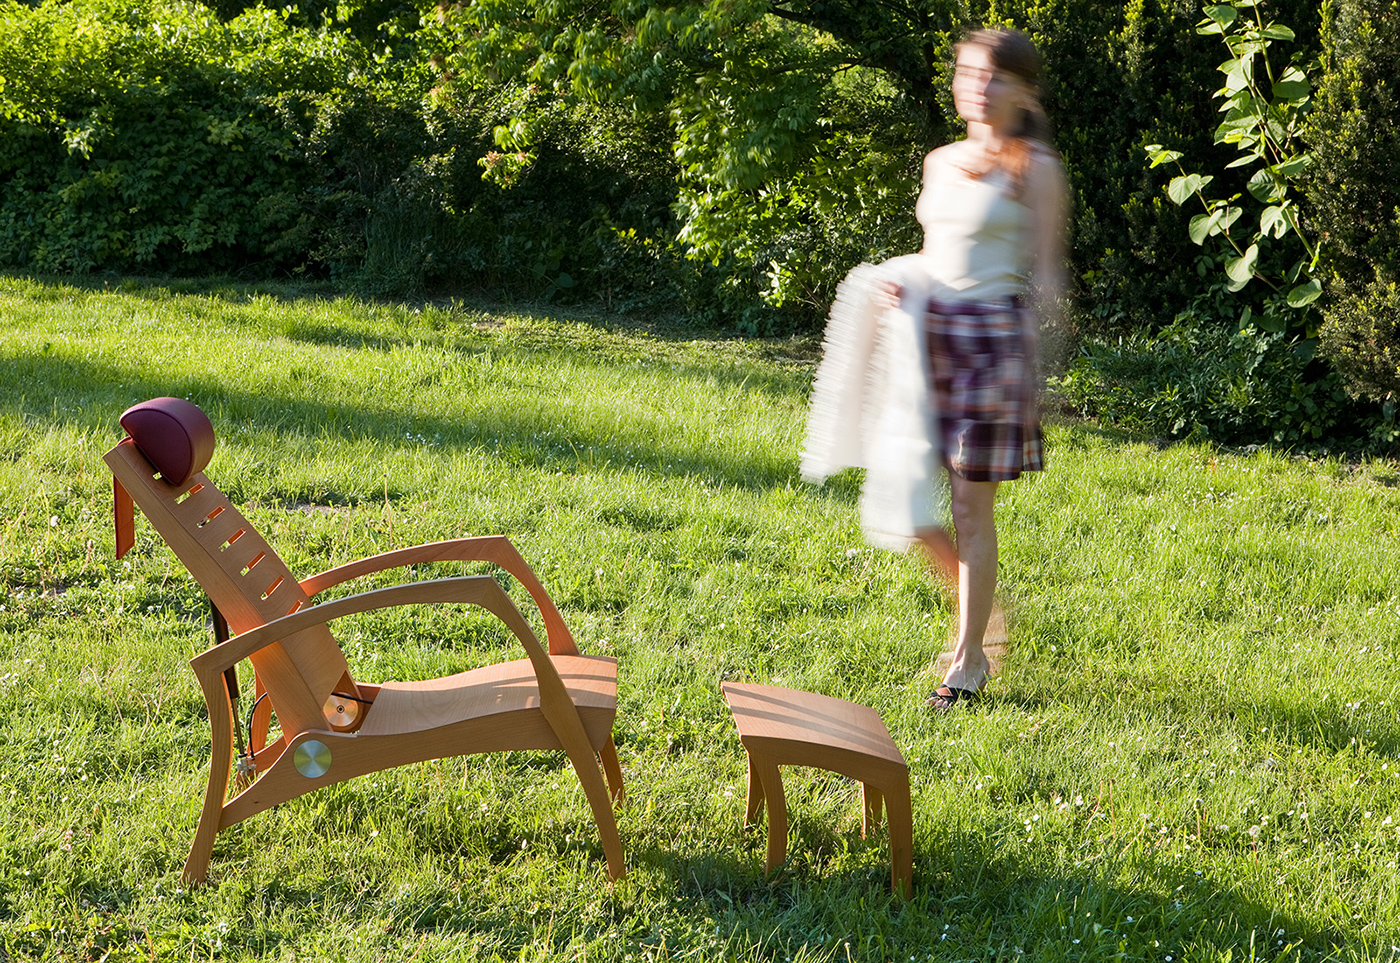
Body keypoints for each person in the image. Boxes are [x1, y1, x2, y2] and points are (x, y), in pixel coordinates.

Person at [914, 27, 1068, 710]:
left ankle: (968, 659)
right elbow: (934, 254)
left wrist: (1044, 362)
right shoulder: (940, 160)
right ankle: (985, 611)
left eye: (996, 75)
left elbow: (1049, 274)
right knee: (904, 505)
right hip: (929, 340)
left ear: (1025, 91)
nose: (979, 85)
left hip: (992, 346)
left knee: (970, 512)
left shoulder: (1037, 168)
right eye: (969, 71)